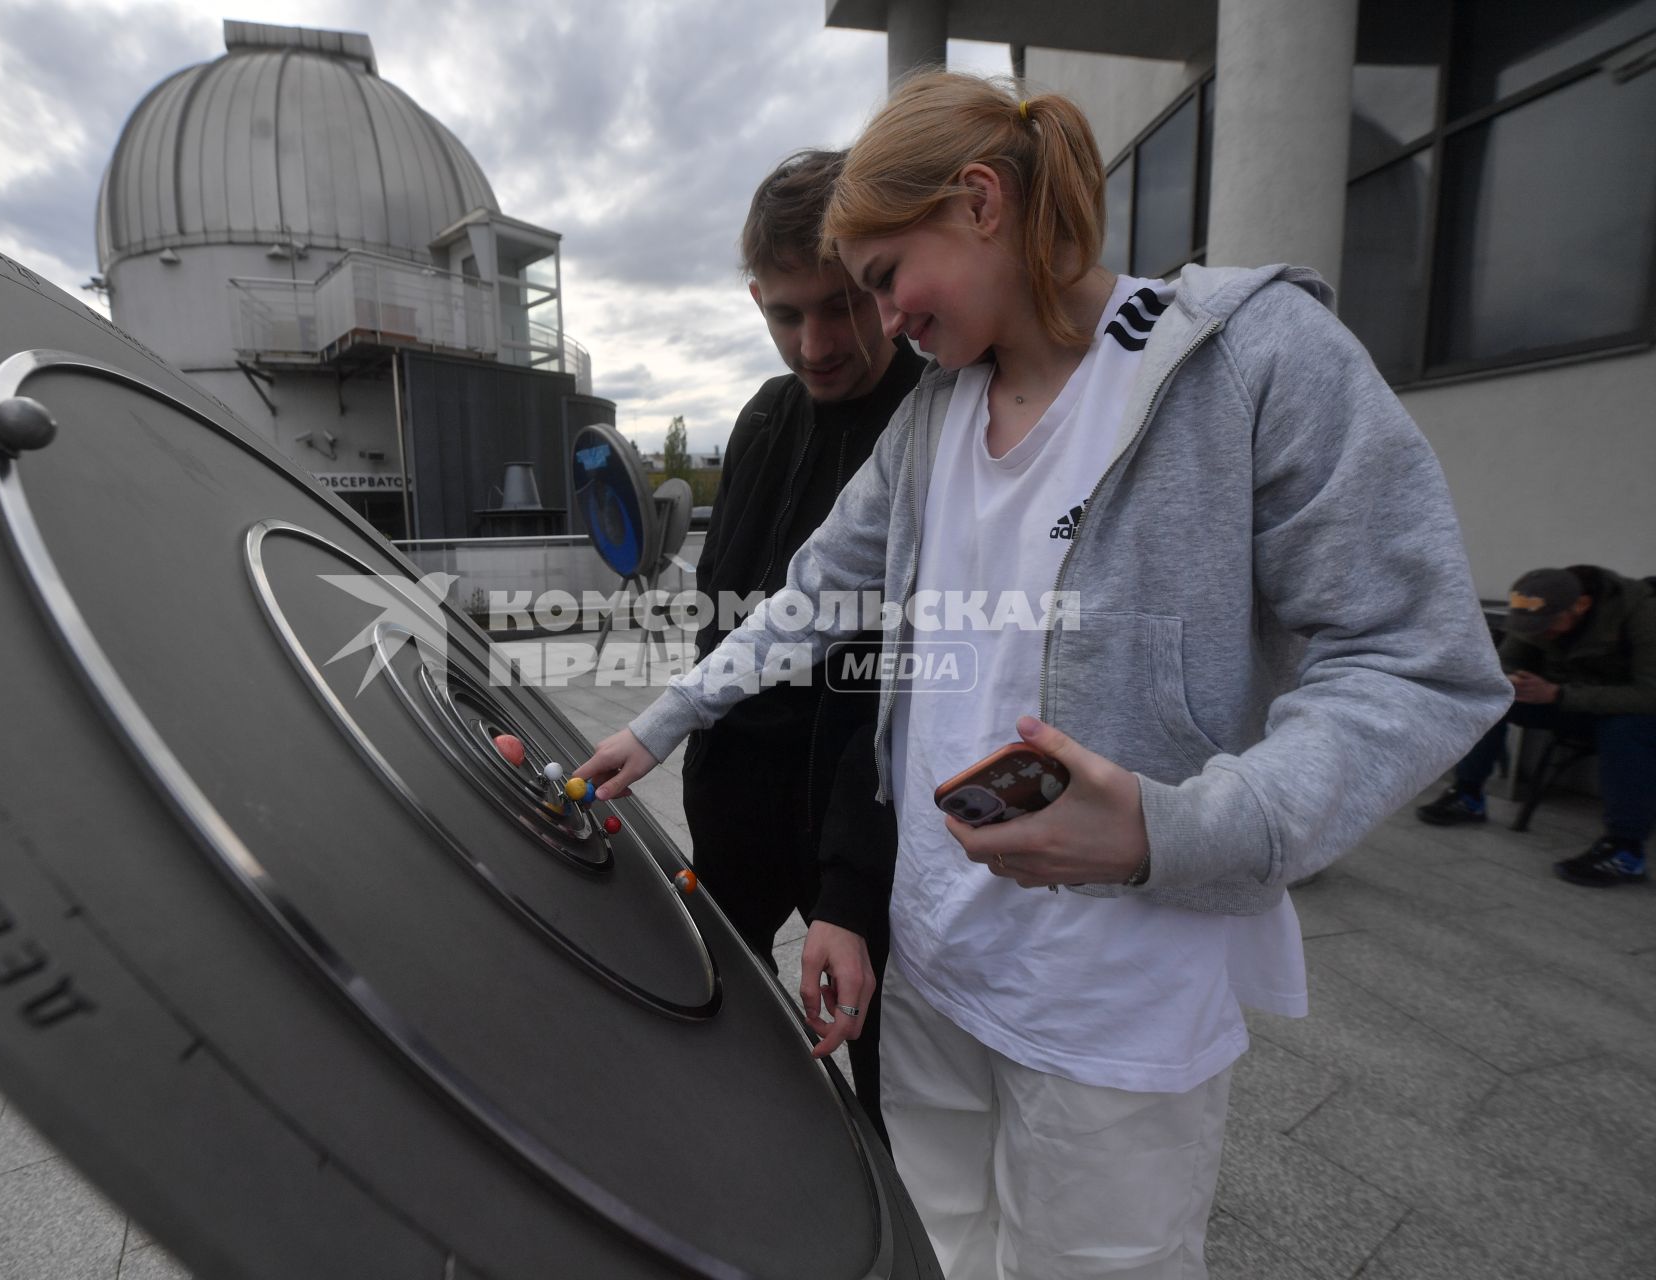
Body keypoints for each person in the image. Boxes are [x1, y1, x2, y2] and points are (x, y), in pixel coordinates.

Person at [580, 71, 1510, 1278]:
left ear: (978, 202)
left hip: (1112, 1000)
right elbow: (811, 600)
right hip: (932, 970)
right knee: (940, 1249)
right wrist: (656, 725)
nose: (882, 320)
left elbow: (1417, 662)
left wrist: (1172, 827)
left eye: (881, 281)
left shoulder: (1248, 360)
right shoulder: (930, 422)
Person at [682, 149, 923, 1136]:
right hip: (735, 810)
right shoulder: (763, 417)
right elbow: (716, 606)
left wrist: (853, 889)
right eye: (786, 314)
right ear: (755, 300)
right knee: (714, 1035)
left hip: (859, 820)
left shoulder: (933, 418)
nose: (814, 342)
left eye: (838, 306)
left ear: (881, 284)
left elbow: (903, 675)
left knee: (883, 1095)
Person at [1418, 565, 1656, 887]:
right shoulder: (1539, 607)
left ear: (1582, 605)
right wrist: (1512, 680)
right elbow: (1506, 663)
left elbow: (1648, 695)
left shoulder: (1641, 613)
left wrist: (1559, 694)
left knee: (1627, 729)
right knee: (1492, 699)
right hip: (1565, 699)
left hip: (1626, 711)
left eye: (1548, 626)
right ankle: (1468, 794)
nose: (1541, 632)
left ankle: (1626, 851)